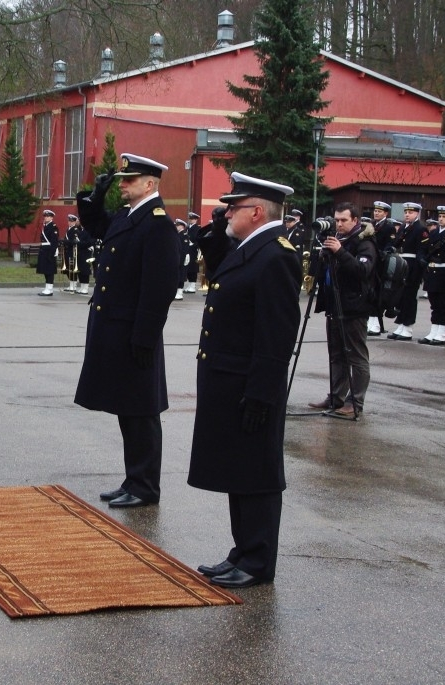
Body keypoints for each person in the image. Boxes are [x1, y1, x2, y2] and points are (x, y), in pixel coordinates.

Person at [188, 172, 300, 589]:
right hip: (230, 381)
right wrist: (217, 229)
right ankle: (242, 551)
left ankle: (257, 561)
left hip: (251, 385)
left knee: (257, 474)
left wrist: (261, 393)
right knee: (240, 470)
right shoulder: (252, 248)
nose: (226, 211)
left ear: (257, 212)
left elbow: (276, 335)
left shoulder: (277, 255)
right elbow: (223, 273)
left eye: (234, 207)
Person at [75, 153, 179, 508]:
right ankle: (133, 479)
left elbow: (159, 288)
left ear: (149, 184)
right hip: (117, 330)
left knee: (142, 412)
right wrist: (93, 198)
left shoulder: (158, 224)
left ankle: (146, 487)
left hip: (136, 333)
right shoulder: (130, 216)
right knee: (127, 409)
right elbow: (97, 226)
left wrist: (144, 338)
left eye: (129, 180)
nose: (122, 185)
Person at [307, 202, 378, 417]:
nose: (338, 224)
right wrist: (322, 254)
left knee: (356, 356)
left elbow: (362, 271)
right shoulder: (338, 240)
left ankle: (355, 402)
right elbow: (321, 272)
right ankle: (336, 397)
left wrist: (340, 252)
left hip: (354, 307)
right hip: (334, 305)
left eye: (343, 220)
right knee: (336, 354)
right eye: (336, 220)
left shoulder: (365, 243)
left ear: (355, 220)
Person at [387, 202, 428, 340]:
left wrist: (418, 270)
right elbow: (397, 243)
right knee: (401, 296)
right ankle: (401, 324)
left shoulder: (420, 229)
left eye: (410, 213)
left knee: (410, 297)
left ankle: (408, 326)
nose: (407, 215)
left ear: (417, 213)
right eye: (406, 212)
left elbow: (422, 250)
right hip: (403, 265)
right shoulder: (404, 227)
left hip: (413, 265)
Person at [418, 206, 445, 345]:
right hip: (433, 272)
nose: (441, 219)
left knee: (444, 304)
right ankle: (434, 330)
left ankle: (441, 332)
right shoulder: (434, 233)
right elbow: (424, 248)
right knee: (434, 303)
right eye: (440, 216)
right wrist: (422, 258)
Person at [367, 201, 395, 335]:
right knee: (370, 292)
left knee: (378, 293)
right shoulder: (371, 224)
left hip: (380, 264)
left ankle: (376, 324)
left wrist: (383, 253)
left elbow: (390, 244)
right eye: (375, 211)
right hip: (371, 261)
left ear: (385, 213)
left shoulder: (388, 226)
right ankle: (371, 321)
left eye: (379, 211)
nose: (376, 213)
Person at [61, 213, 92, 293]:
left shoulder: (88, 231)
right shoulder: (82, 230)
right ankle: (82, 286)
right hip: (80, 252)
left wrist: (77, 243)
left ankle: (85, 287)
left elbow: (89, 242)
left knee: (85, 270)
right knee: (80, 270)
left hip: (86, 252)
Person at [37, 209, 59, 296]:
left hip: (49, 250)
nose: (46, 218)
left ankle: (50, 289)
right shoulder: (45, 226)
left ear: (51, 217)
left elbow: (54, 241)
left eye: (48, 216)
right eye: (45, 216)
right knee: (45, 270)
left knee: (50, 271)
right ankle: (47, 287)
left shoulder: (53, 227)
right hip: (44, 250)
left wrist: (52, 253)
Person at [174, 218, 193, 300]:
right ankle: (176, 292)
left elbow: (184, 250)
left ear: (182, 226)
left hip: (181, 258)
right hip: (177, 258)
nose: (176, 226)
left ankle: (180, 292)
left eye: (177, 225)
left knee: (181, 275)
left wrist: (180, 261)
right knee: (177, 275)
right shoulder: (177, 234)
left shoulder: (184, 236)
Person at [184, 211, 201, 292]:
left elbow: (199, 240)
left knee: (193, 268)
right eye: (190, 219)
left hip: (193, 250)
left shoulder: (198, 228)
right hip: (187, 249)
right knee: (188, 267)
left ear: (196, 220)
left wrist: (193, 245)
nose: (191, 220)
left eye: (192, 219)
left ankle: (193, 285)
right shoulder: (187, 228)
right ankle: (189, 284)